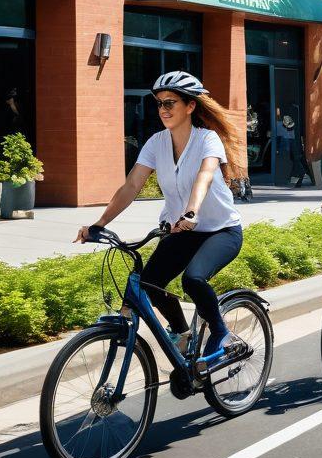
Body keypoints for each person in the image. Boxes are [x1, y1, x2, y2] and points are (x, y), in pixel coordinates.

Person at [76, 72, 243, 368]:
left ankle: (221, 332)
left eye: (170, 103)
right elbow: (131, 186)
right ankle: (182, 333)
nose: (163, 109)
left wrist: (191, 212)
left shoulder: (208, 139)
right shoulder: (156, 143)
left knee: (193, 279)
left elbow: (204, 177)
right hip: (182, 232)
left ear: (190, 106)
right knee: (149, 285)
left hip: (221, 231)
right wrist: (99, 224)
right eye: (159, 104)